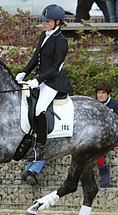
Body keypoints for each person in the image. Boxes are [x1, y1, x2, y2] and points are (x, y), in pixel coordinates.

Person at [15, 4, 73, 160]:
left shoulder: (61, 41)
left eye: (47, 21)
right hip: (40, 78)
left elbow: (55, 68)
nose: (44, 24)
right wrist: (24, 72)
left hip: (53, 82)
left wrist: (37, 80)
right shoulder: (44, 35)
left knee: (39, 108)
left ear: (57, 22)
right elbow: (36, 57)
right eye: (44, 21)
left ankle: (40, 147)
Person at [95, 82, 118, 188]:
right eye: (99, 93)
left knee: (98, 147)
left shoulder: (115, 105)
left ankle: (104, 171)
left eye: (103, 93)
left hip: (113, 137)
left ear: (108, 94)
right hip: (96, 137)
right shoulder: (94, 105)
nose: (100, 95)